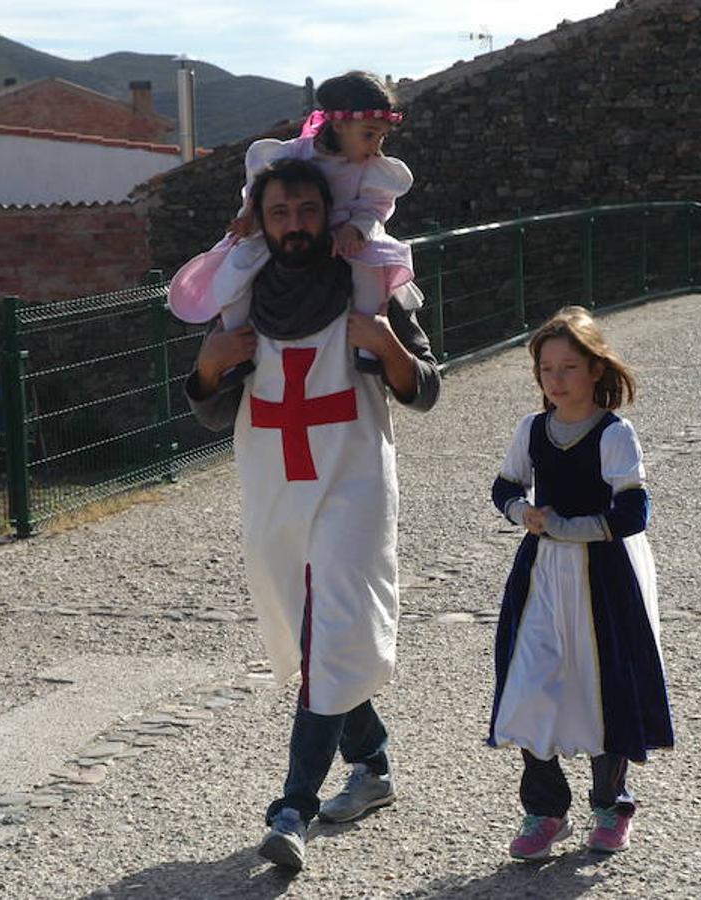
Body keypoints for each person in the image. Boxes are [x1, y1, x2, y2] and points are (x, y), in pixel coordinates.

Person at [184, 157, 440, 871]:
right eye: (278, 213)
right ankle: (373, 761)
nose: (293, 224)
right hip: (273, 483)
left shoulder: (370, 285)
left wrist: (385, 344)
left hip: (353, 483)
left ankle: (291, 809)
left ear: (326, 213)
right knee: (311, 640)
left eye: (304, 209)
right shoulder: (241, 298)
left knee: (334, 632)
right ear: (261, 221)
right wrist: (208, 366)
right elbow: (211, 407)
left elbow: (424, 389)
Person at [488, 307, 674, 860]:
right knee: (527, 685)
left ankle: (610, 804)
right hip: (542, 575)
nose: (557, 379)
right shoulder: (531, 430)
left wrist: (571, 527)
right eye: (547, 368)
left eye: (569, 367)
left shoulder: (616, 434)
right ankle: (545, 812)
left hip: (602, 578)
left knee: (601, 688)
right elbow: (502, 488)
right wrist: (523, 512)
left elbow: (634, 511)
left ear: (596, 369)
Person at [169, 70, 415, 377]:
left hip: (344, 234)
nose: (375, 146)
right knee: (238, 265)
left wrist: (356, 230)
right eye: (368, 134)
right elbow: (262, 188)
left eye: (381, 136)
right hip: (289, 230)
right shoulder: (294, 152)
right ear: (338, 125)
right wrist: (250, 216)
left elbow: (373, 208)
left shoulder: (371, 169)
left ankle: (369, 342)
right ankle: (233, 339)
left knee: (370, 270)